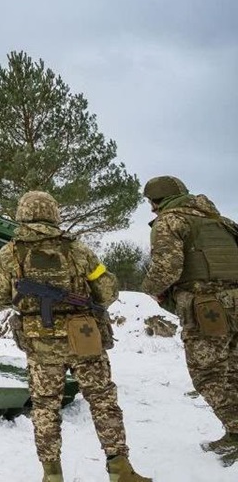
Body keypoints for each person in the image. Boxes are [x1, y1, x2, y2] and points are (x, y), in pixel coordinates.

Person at [0, 191, 150, 482]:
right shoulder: (78, 249)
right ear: (54, 214)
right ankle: (120, 469)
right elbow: (107, 291)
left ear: (22, 214)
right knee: (102, 400)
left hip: (40, 343)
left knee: (45, 406)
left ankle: (52, 474)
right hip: (84, 337)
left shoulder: (10, 252)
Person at [140, 175, 238, 466]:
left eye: (151, 203)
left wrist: (151, 290)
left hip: (208, 310)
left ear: (156, 201)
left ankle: (236, 430)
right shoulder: (221, 221)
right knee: (233, 369)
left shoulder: (169, 222)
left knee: (207, 373)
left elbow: (166, 270)